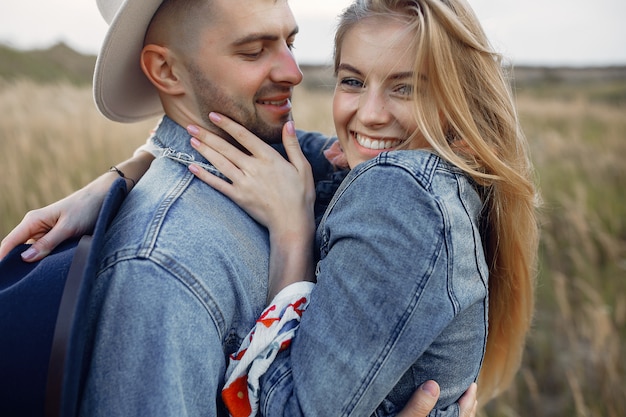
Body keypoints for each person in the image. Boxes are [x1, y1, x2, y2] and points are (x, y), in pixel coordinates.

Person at [0, 0, 478, 415]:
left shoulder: (282, 166)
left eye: (290, 40)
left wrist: (123, 173)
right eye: (253, 50)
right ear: (166, 71)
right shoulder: (159, 273)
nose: (293, 70)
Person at [182, 0, 539, 415]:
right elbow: (263, 146)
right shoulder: (415, 179)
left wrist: (291, 235)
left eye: (405, 88)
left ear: (459, 107)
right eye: (352, 82)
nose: (369, 116)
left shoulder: (401, 191)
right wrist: (123, 177)